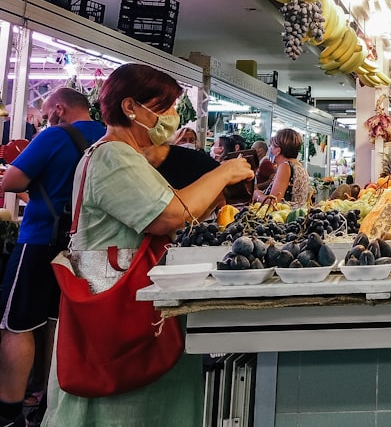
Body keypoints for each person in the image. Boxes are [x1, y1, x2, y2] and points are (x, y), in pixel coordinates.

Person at [41, 63, 253, 426]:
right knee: (119, 408)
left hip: (128, 303)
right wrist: (223, 173)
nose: (171, 117)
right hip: (119, 309)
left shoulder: (125, 156)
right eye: (164, 107)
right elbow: (169, 215)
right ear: (130, 107)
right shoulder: (112, 156)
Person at [0, 89, 104, 427]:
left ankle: (9, 410)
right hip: (82, 246)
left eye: (46, 112)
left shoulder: (53, 135)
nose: (45, 119)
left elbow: (12, 181)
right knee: (57, 324)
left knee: (17, 324)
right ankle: (49, 401)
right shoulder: (107, 137)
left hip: (40, 238)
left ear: (58, 108)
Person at [253, 129, 308, 208]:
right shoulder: (298, 165)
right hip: (294, 216)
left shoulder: (285, 166)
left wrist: (256, 195)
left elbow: (274, 202)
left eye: (272, 146)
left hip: (283, 217)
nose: (270, 149)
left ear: (278, 150)